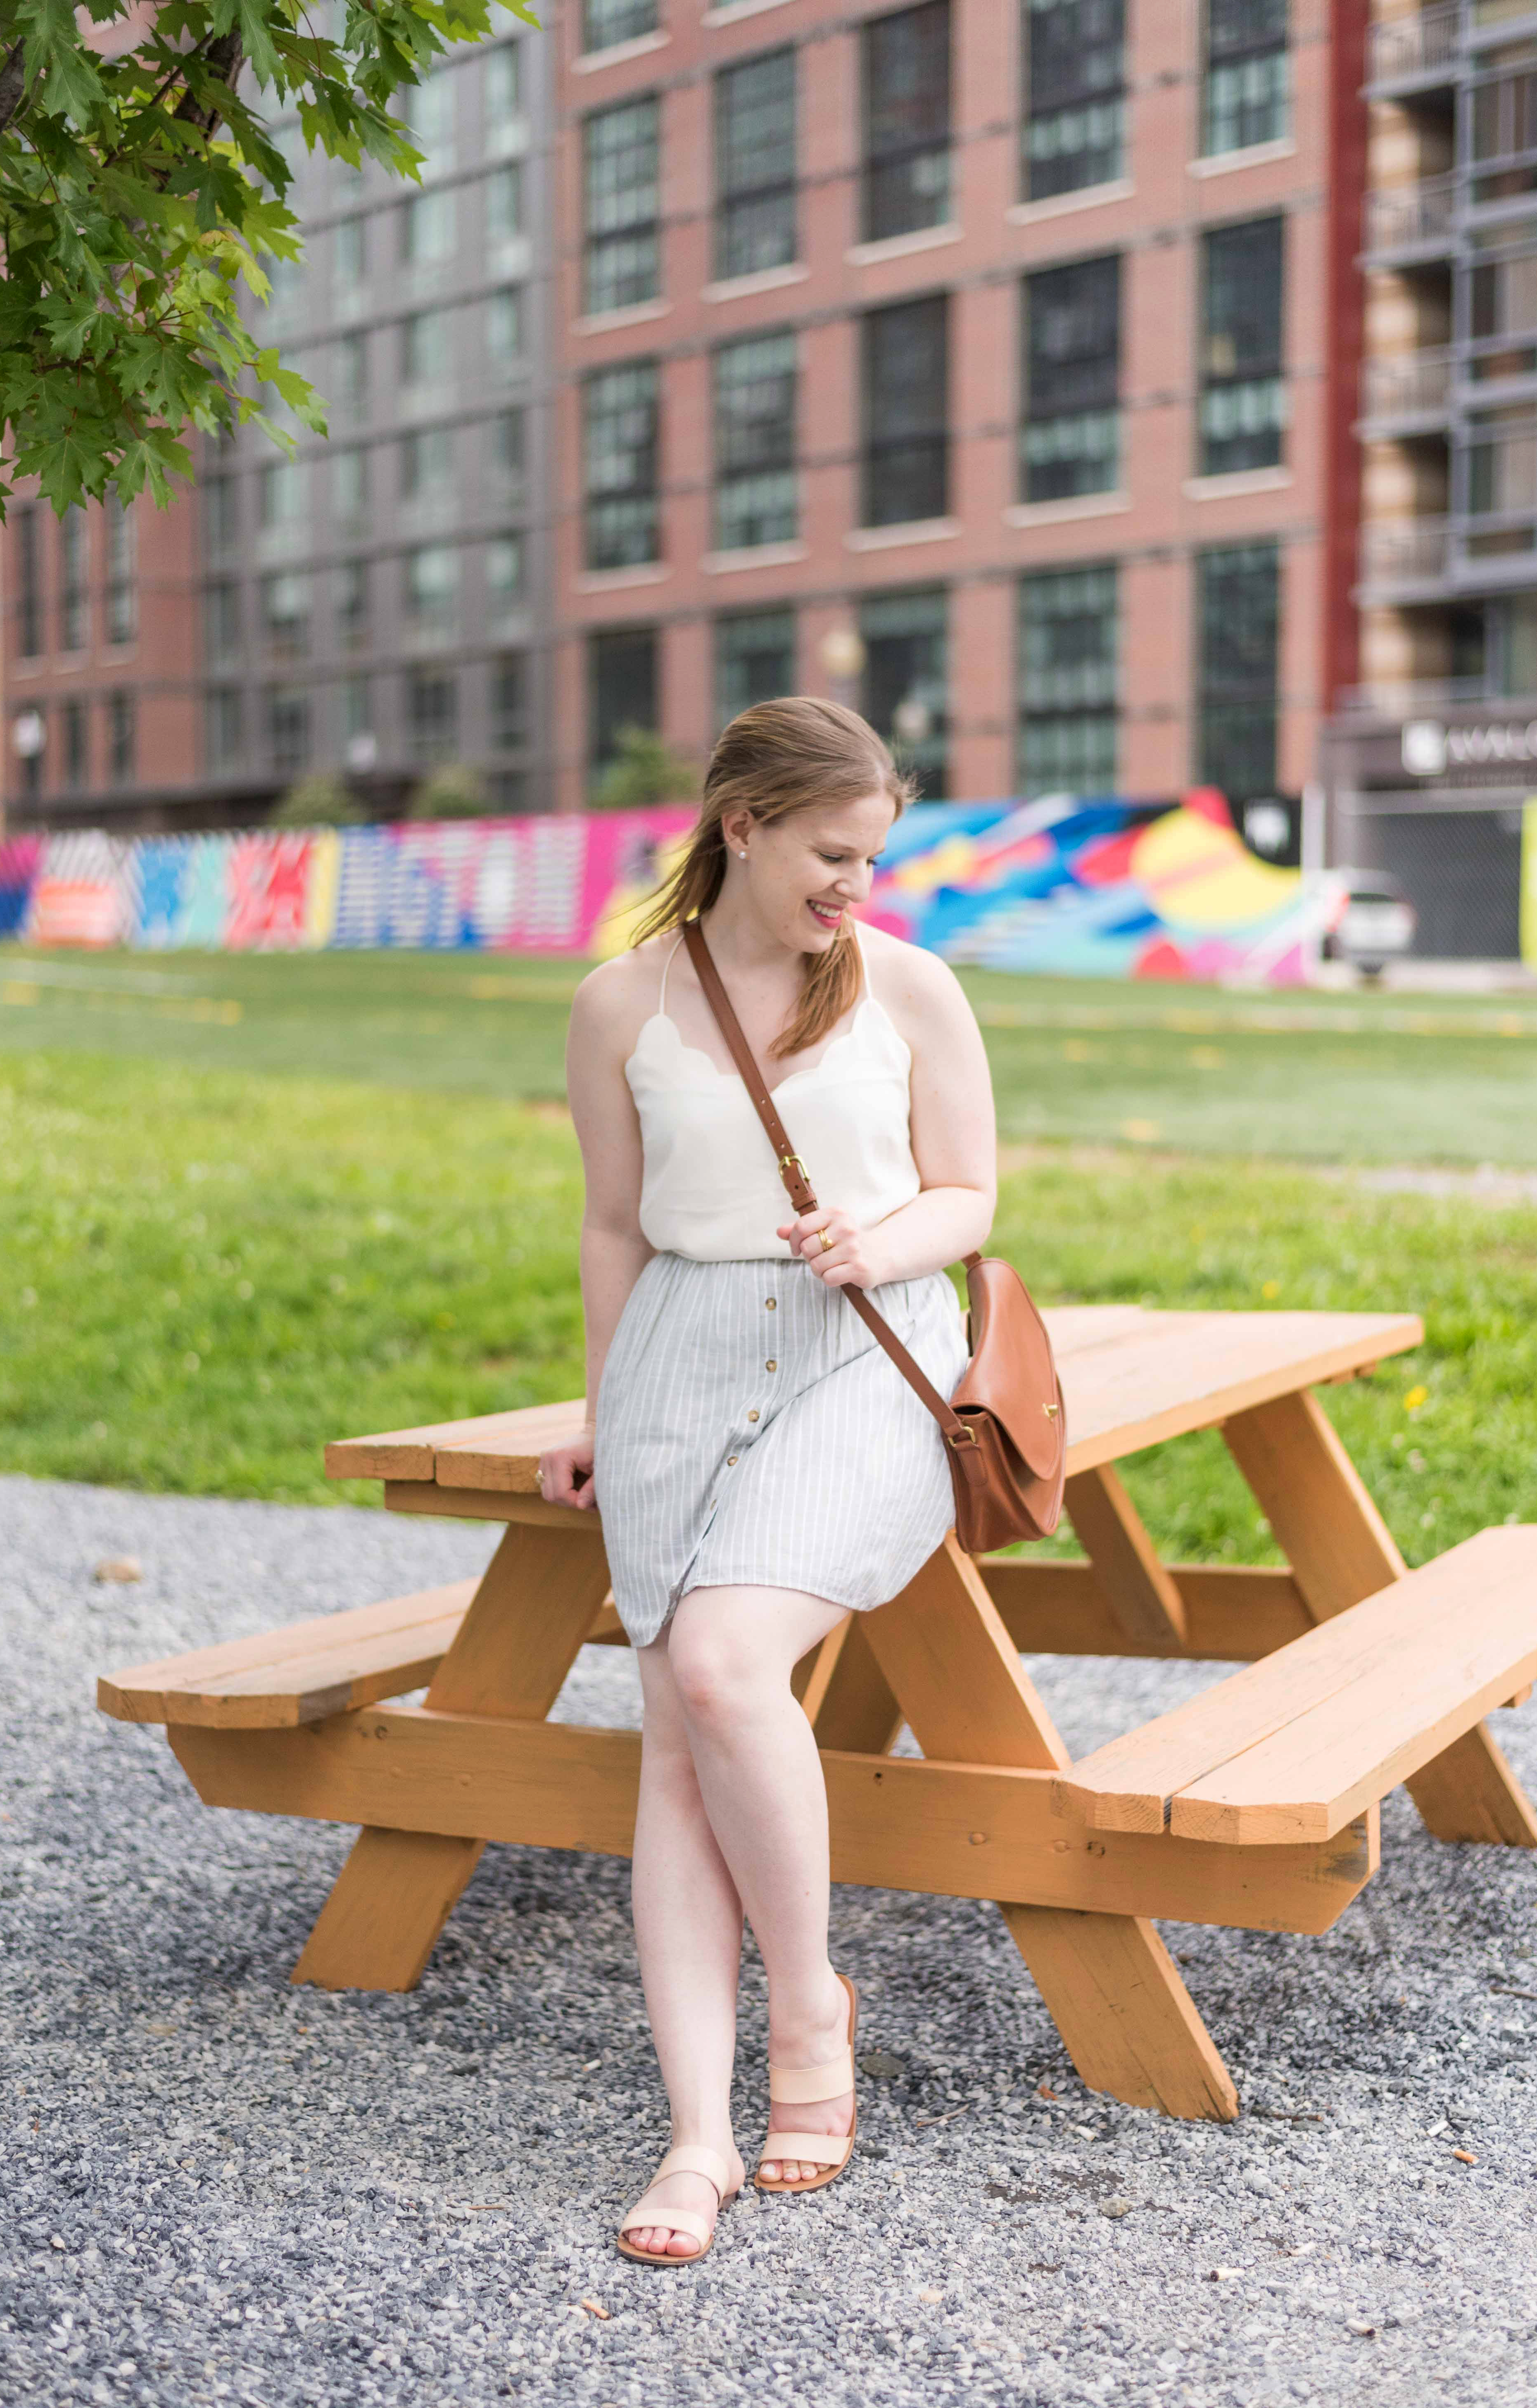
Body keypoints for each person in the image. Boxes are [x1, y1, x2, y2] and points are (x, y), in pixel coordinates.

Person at [537, 696, 998, 2266]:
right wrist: (602, 1404)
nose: (853, 888)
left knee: (726, 1666)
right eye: (829, 854)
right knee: (675, 1737)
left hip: (862, 1359)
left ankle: (808, 2013)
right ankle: (696, 2138)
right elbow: (615, 1224)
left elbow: (971, 1193)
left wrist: (878, 1240)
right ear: (741, 824)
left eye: (871, 857)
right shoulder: (617, 1004)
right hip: (675, 1362)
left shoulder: (910, 990)